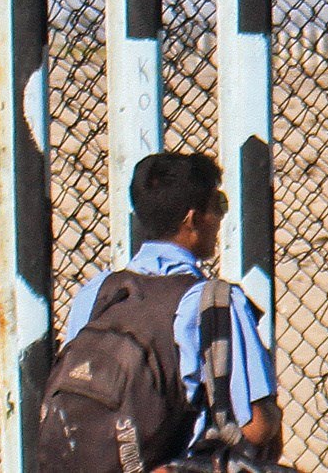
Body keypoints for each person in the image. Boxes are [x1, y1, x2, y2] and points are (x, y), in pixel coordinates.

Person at [52, 150, 282, 465]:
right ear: (193, 219)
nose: (220, 218)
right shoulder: (213, 302)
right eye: (219, 206)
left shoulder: (96, 292)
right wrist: (273, 413)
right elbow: (254, 426)